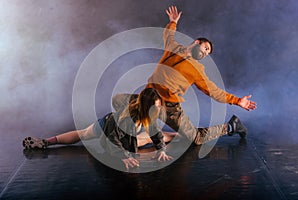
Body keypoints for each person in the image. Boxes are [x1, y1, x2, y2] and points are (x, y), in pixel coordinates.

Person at [112, 6, 257, 146]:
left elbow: (213, 91)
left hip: (170, 109)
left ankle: (232, 126)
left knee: (196, 138)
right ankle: (132, 129)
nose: (205, 53)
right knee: (117, 100)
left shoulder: (197, 70)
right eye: (206, 48)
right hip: (148, 99)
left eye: (207, 53)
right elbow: (168, 35)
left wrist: (237, 100)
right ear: (197, 42)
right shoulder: (173, 48)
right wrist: (173, 22)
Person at [22, 88, 173, 170]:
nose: (158, 110)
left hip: (117, 128)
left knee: (152, 136)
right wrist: (124, 155)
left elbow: (155, 133)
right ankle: (44, 142)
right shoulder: (125, 117)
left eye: (159, 106)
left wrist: (161, 150)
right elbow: (112, 138)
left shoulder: (150, 114)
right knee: (84, 134)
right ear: (145, 106)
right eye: (155, 107)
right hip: (108, 130)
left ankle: (178, 136)